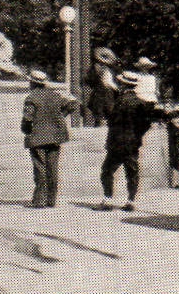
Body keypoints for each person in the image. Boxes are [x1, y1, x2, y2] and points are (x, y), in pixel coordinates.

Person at [22, 70, 77, 208]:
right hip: (55, 137)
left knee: (40, 168)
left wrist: (26, 129)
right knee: (52, 168)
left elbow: (28, 118)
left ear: (33, 83)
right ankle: (51, 200)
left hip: (38, 137)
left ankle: (39, 201)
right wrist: (60, 117)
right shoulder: (55, 95)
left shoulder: (31, 98)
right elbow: (73, 104)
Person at [100, 72, 154, 210]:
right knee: (132, 172)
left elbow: (112, 119)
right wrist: (137, 135)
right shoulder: (140, 103)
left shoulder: (120, 102)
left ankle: (108, 200)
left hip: (117, 142)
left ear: (124, 85)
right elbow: (146, 124)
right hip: (132, 143)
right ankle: (131, 201)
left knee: (107, 171)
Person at [85, 47, 120, 126]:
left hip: (101, 93)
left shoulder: (99, 68)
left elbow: (89, 81)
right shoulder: (101, 69)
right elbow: (106, 82)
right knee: (104, 112)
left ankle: (101, 124)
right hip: (104, 93)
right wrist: (117, 89)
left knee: (102, 113)